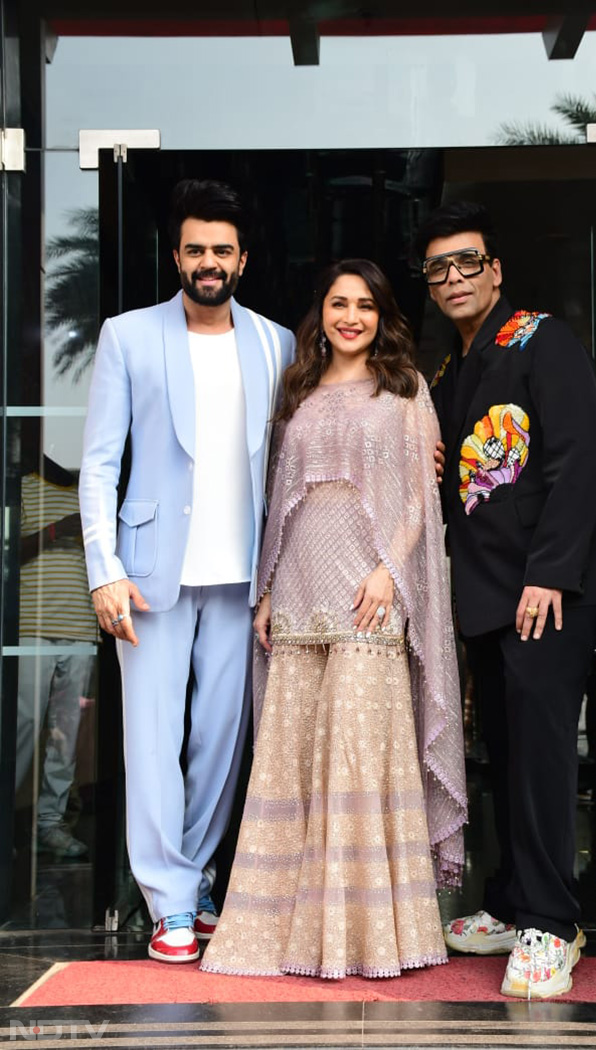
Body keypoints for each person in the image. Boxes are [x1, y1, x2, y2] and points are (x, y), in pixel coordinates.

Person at [200, 259, 468, 979]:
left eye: (365, 305)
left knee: (354, 752)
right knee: (292, 757)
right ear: (319, 315)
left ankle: (366, 938)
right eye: (337, 304)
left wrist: (391, 569)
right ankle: (285, 933)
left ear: (383, 316)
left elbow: (419, 497)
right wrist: (264, 593)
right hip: (296, 597)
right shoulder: (298, 391)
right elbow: (276, 501)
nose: (351, 316)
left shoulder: (406, 391)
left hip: (368, 591)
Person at [416, 201, 596, 999]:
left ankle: (553, 922)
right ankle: (512, 902)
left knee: (542, 757)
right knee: (505, 755)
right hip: (485, 596)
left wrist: (548, 573)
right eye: (439, 268)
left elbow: (578, 459)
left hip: (549, 590)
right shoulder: (450, 368)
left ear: (495, 269)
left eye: (468, 262)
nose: (454, 278)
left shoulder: (542, 339)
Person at [79, 180, 295, 963]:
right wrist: (102, 570)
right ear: (177, 255)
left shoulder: (277, 343)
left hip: (242, 578)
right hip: (147, 579)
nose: (210, 262)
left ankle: (197, 874)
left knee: (218, 745)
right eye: (196, 249)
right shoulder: (127, 336)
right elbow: (100, 465)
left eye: (223, 250)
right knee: (151, 745)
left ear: (243, 258)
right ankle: (168, 902)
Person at [16, 433, 96, 860]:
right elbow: (12, 552)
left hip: (82, 627)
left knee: (65, 738)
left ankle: (50, 824)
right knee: (24, 726)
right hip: (33, 626)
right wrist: (56, 529)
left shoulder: (92, 491)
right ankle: (10, 817)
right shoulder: (23, 486)